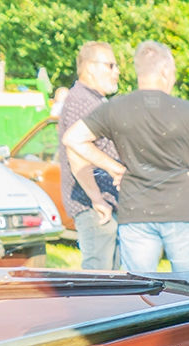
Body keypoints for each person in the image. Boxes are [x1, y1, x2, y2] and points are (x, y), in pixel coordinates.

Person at [62, 41, 189, 274]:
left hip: (135, 214)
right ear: (166, 71)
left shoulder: (116, 108)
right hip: (181, 211)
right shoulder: (187, 110)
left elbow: (73, 138)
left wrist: (114, 167)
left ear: (139, 72)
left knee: (139, 291)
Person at [56, 42, 120, 269]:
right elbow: (76, 152)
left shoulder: (93, 99)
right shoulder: (81, 100)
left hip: (103, 202)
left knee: (113, 282)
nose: (117, 72)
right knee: (100, 281)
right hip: (93, 206)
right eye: (111, 65)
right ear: (90, 68)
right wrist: (97, 199)